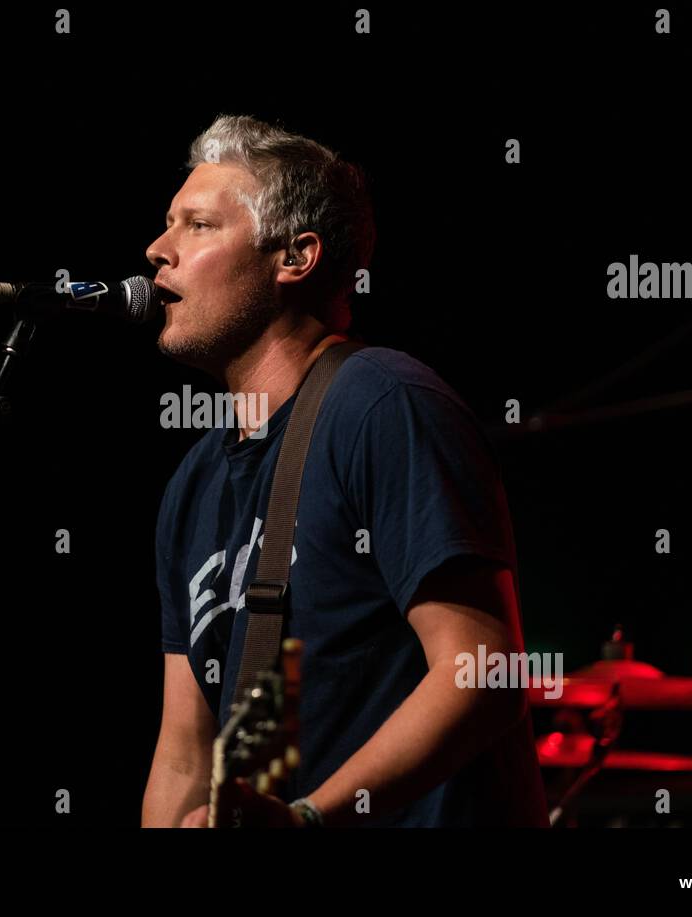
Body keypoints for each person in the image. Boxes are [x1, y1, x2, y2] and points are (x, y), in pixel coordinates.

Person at [141, 114, 549, 827]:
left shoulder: (384, 404)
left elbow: (485, 670)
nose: (156, 250)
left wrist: (307, 818)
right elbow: (183, 752)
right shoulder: (194, 483)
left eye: (197, 225)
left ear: (294, 257)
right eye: (167, 223)